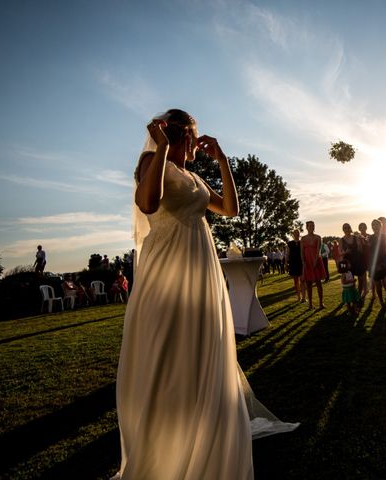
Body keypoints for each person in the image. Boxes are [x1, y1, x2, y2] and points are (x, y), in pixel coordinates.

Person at [114, 109, 297, 480]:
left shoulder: (194, 176)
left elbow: (230, 209)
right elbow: (148, 204)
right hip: (168, 274)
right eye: (194, 137)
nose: (198, 145)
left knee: (202, 349)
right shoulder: (154, 160)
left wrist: (224, 161)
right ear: (182, 135)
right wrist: (163, 146)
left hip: (201, 274)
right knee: (168, 352)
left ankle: (201, 436)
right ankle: (162, 448)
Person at [369, 219, 386, 316]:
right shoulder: (370, 237)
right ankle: (381, 302)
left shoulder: (384, 236)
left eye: (376, 225)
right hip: (374, 263)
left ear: (380, 226)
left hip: (384, 261)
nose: (375, 226)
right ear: (372, 227)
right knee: (378, 286)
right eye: (373, 225)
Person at [301, 220, 326, 309]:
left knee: (319, 282)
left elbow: (318, 250)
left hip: (316, 261)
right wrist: (303, 262)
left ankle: (321, 303)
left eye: (313, 225)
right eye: (310, 226)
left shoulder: (318, 237)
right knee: (308, 283)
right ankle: (310, 304)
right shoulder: (303, 239)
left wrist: (315, 261)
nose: (312, 227)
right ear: (307, 227)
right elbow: (302, 252)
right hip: (307, 262)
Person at [340, 223, 367, 301]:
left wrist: (360, 243)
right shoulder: (341, 240)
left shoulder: (356, 238)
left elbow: (360, 249)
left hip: (358, 260)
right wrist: (346, 252)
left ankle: (359, 294)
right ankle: (352, 296)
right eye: (345, 228)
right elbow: (340, 253)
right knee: (350, 280)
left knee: (361, 279)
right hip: (348, 263)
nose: (347, 229)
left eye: (348, 227)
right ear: (343, 230)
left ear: (350, 228)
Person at [285, 229, 305, 302]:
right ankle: (299, 297)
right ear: (293, 235)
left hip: (301, 263)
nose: (297, 234)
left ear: (299, 234)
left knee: (302, 280)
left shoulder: (302, 242)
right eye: (295, 233)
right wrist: (286, 263)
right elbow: (287, 254)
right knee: (296, 281)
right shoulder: (289, 243)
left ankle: (303, 297)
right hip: (293, 263)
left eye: (298, 233)